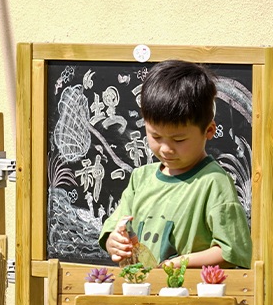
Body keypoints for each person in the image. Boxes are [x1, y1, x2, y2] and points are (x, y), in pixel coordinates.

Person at [100, 59, 251, 269]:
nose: (165, 149)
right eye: (156, 136)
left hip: (190, 298)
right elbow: (116, 227)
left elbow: (232, 251)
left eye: (178, 140)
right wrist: (113, 242)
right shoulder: (140, 179)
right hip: (138, 295)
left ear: (209, 131)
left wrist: (180, 263)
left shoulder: (214, 184)